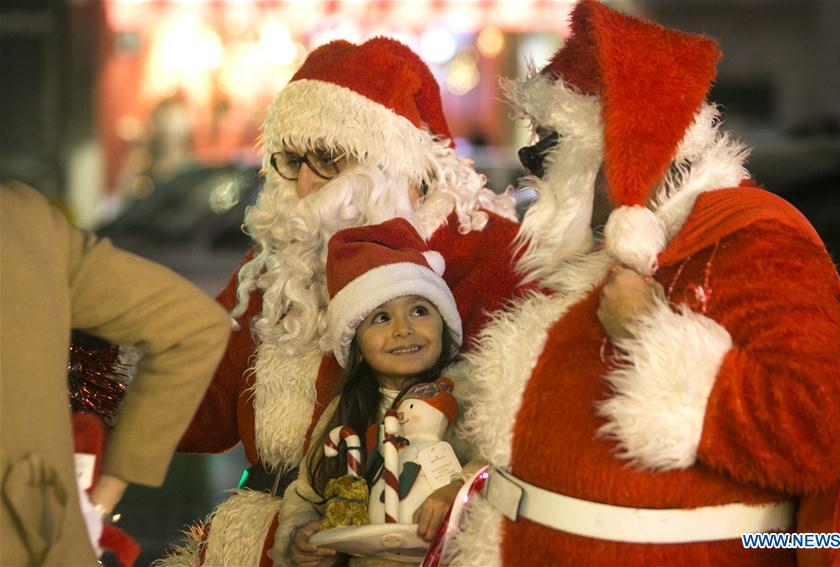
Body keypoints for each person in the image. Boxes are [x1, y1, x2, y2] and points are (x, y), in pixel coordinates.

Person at [445, 2, 840, 566]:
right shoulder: (607, 249)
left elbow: (807, 434)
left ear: (622, 149)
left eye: (549, 144)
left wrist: (650, 334)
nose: (537, 165)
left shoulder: (755, 243)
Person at [165, 37, 523, 567]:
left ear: (392, 158)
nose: (306, 182)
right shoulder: (277, 263)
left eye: (329, 160)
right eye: (291, 159)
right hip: (272, 545)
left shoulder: (487, 252)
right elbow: (201, 403)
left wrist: (468, 491)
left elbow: (528, 431)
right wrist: (97, 379)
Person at [0, 182, 230, 566]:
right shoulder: (21, 219)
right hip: (46, 540)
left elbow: (192, 329)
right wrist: (101, 498)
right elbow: (192, 326)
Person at [273, 218, 482, 566]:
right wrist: (302, 535)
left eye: (419, 310)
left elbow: (503, 463)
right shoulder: (348, 412)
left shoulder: (469, 393)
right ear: (355, 341)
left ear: (445, 323)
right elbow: (307, 495)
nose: (404, 330)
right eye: (381, 318)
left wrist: (457, 490)